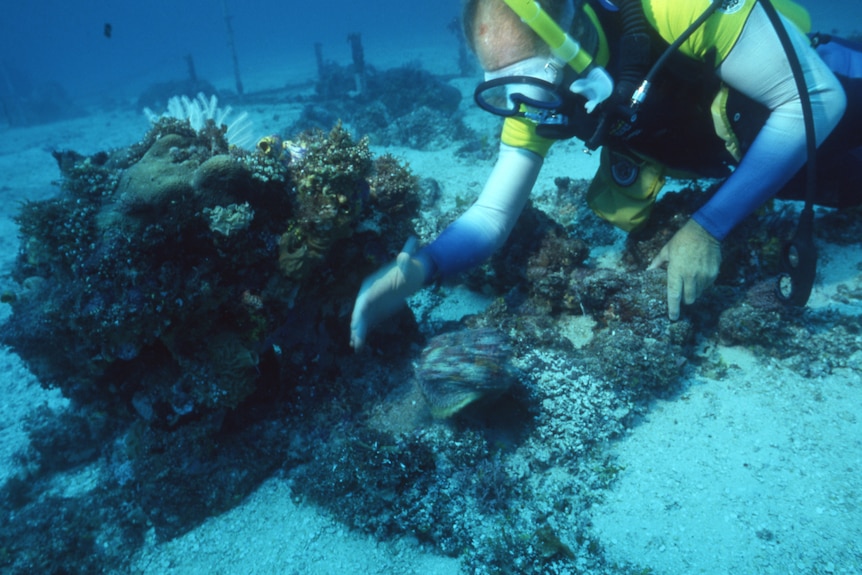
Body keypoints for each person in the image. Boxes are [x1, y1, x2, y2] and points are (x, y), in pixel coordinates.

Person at [350, 0, 862, 351]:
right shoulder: (539, 101)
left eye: (534, 82)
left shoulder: (673, 9)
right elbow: (491, 215)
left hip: (831, 88)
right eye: (505, 88)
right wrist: (423, 267)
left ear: (575, 39)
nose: (526, 108)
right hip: (767, 159)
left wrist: (708, 227)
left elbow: (816, 99)